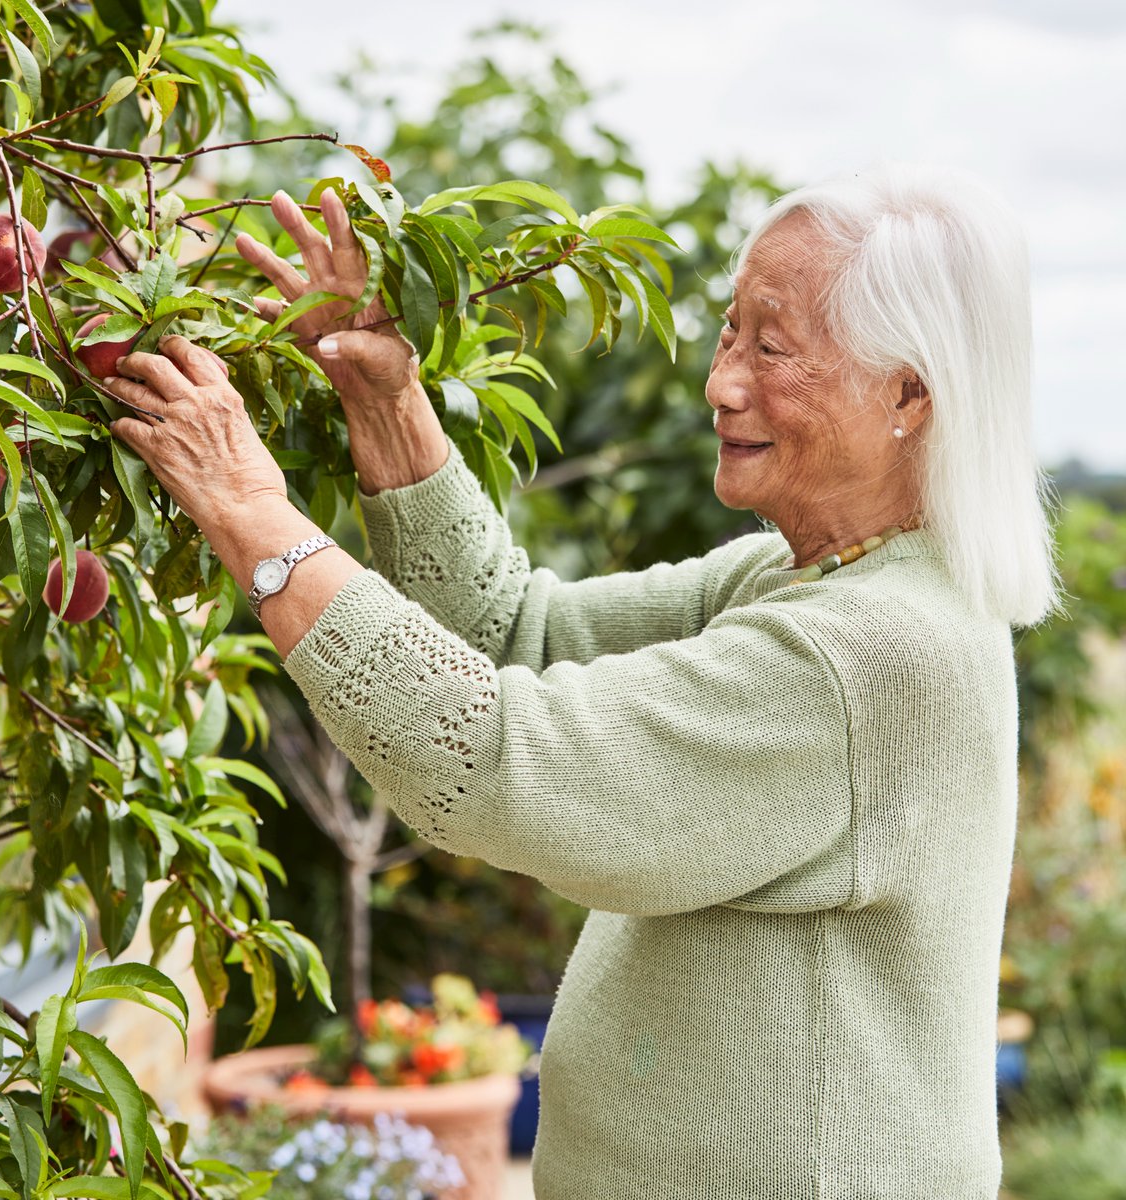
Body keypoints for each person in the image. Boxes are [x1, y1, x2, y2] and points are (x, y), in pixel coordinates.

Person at [108, 164, 1056, 1199]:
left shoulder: (872, 653)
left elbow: (494, 756)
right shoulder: (797, 579)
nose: (723, 381)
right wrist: (386, 401)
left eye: (773, 345)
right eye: (730, 331)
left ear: (909, 392)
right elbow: (521, 635)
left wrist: (255, 515)